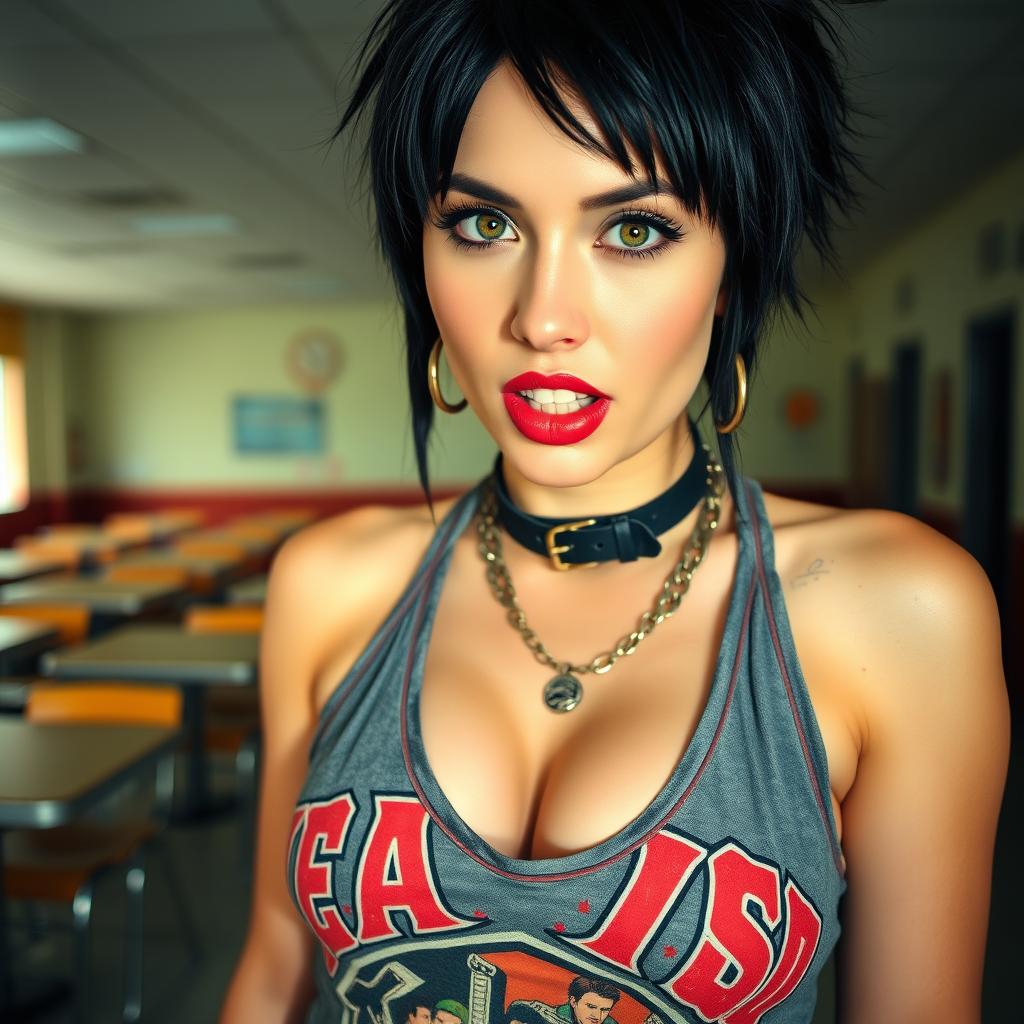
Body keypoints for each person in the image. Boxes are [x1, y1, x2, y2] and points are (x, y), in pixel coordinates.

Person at [220, 2, 1009, 1022]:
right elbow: (270, 972)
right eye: (484, 224)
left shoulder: (897, 610)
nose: (543, 316)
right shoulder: (330, 582)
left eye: (633, 230)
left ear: (734, 268)